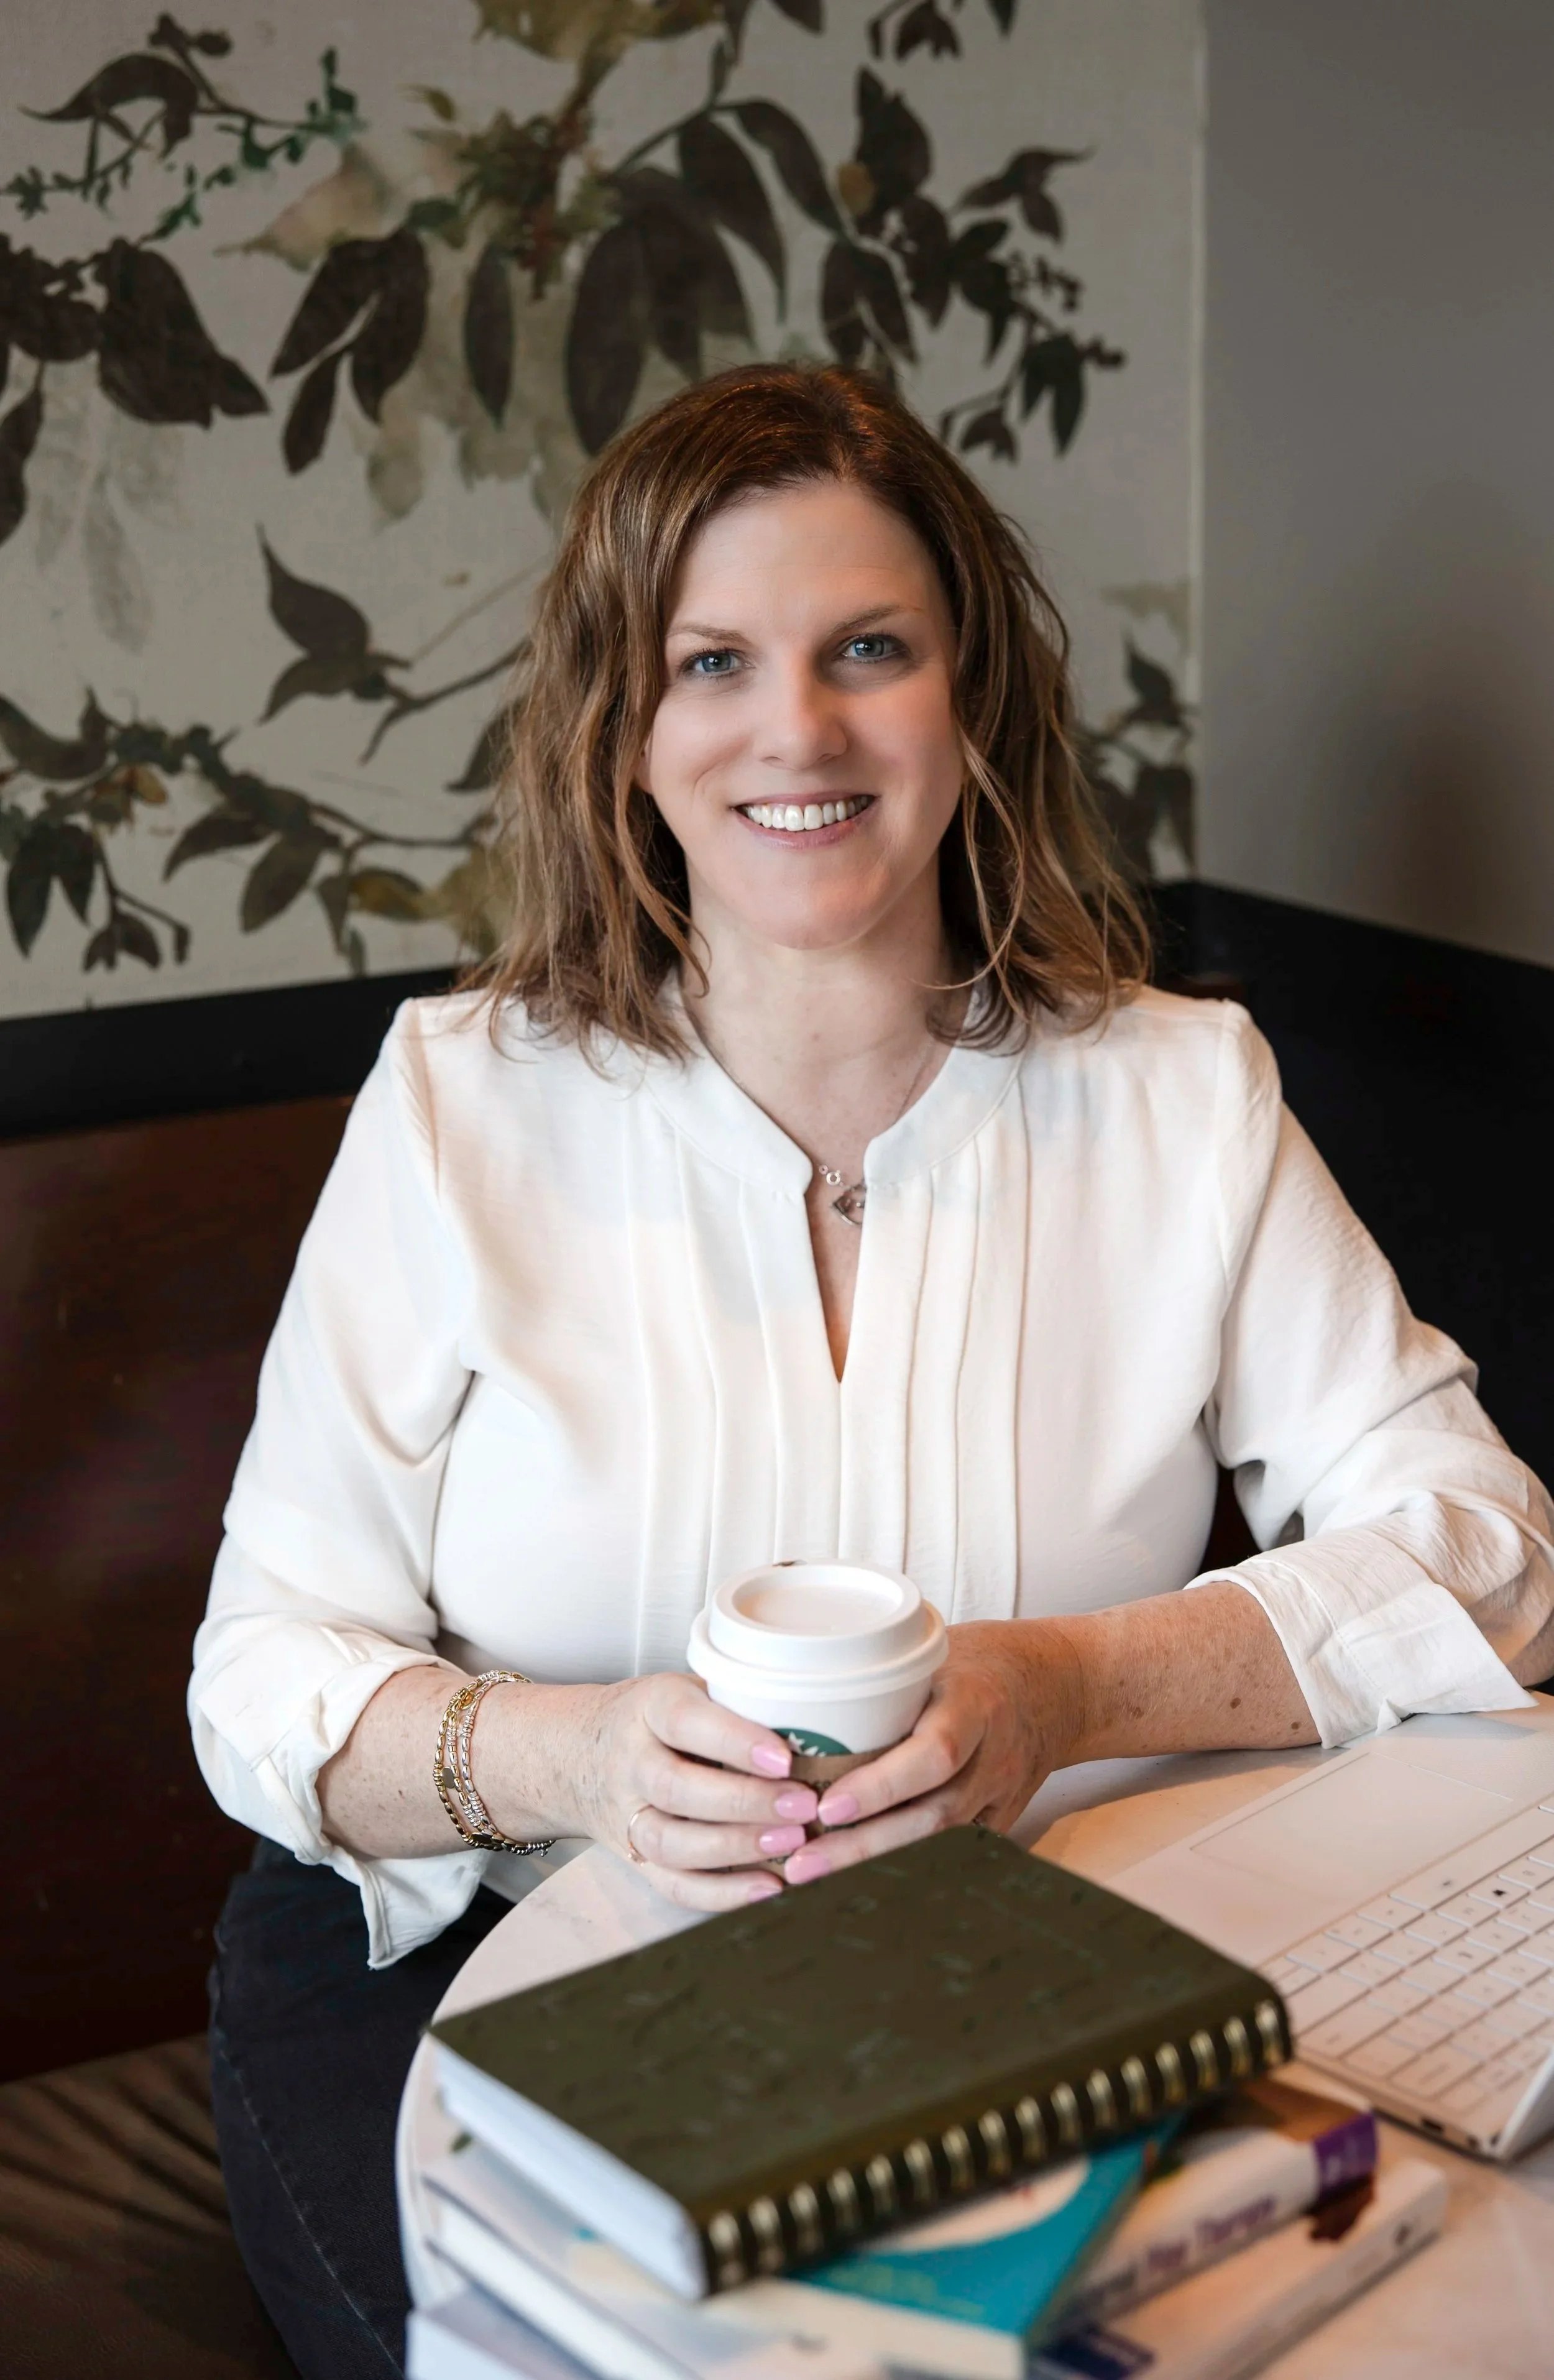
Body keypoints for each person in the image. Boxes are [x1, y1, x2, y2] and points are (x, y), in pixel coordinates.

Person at [190, 363, 1554, 2377]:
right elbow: (258, 1673)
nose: (797, 730)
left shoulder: (1179, 1093)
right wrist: (575, 1754)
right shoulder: (455, 1102)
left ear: (966, 693)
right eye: (713, 661)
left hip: (1026, 1971)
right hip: (472, 1975)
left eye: (868, 651)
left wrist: (1071, 1681)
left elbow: (1491, 1553)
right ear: (624, 729)